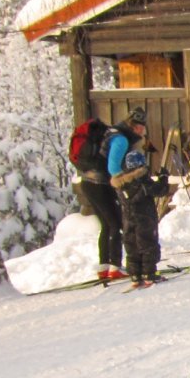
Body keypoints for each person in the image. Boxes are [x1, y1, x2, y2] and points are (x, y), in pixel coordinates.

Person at [105, 107, 168, 288]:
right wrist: (163, 177)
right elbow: (160, 189)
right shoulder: (143, 182)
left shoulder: (122, 185)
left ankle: (135, 275)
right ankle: (150, 273)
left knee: (131, 246)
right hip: (145, 220)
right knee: (148, 245)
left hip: (128, 220)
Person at [72, 119, 125, 281]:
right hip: (100, 183)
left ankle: (104, 266)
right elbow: (113, 167)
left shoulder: (97, 137)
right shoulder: (118, 139)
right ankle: (115, 267)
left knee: (106, 224)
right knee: (116, 223)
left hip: (86, 182)